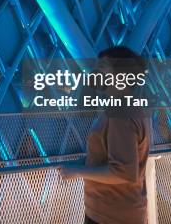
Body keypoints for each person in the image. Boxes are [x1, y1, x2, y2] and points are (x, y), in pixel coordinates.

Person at [58, 46, 152, 224]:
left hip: (112, 214)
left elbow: (123, 172)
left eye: (102, 68)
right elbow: (112, 158)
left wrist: (77, 171)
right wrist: (83, 163)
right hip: (114, 211)